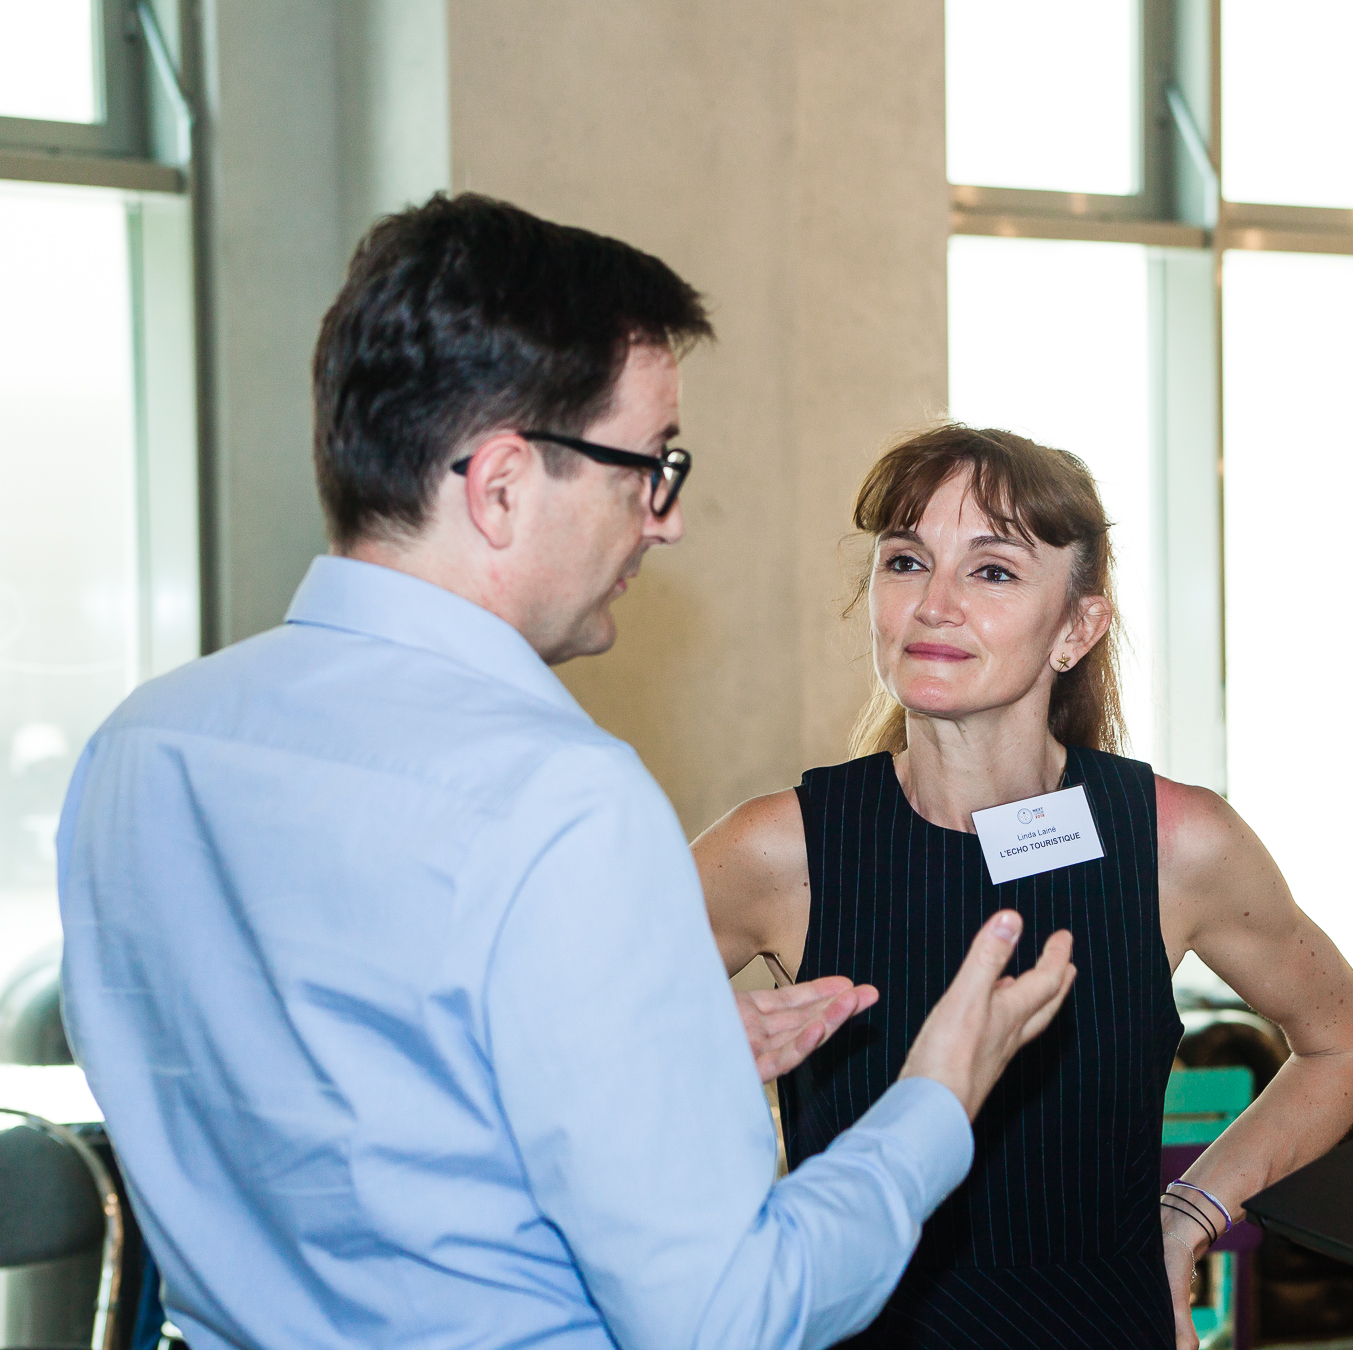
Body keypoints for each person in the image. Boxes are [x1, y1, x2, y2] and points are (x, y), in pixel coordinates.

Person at [55, 194, 1079, 1350]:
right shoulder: (560, 800)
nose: (666, 520)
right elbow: (727, 1317)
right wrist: (935, 1100)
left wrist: (641, 1069)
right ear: (499, 485)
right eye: (649, 464)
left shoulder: (141, 747)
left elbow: (322, 1120)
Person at [696, 425, 1353, 1350]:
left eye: (991, 571)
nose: (934, 604)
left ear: (1077, 628)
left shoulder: (1173, 842)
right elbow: (564, 1054)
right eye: (906, 562)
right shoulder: (781, 851)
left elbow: (1345, 1044)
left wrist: (1186, 1218)